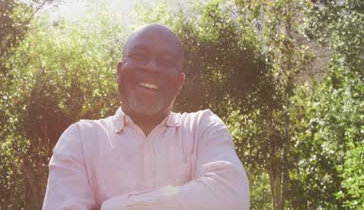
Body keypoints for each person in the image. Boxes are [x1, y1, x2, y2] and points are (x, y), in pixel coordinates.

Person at [42, 23, 250, 209]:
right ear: (119, 71)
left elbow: (231, 197)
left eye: (166, 61)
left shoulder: (202, 128)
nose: (151, 67)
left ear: (179, 82)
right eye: (140, 56)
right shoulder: (80, 139)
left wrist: (115, 206)